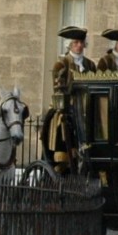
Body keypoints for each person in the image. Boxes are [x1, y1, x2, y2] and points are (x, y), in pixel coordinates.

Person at [50, 26, 98, 162]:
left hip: (87, 107)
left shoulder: (90, 65)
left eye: (81, 42)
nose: (79, 45)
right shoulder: (61, 64)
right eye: (76, 42)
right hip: (68, 107)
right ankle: (63, 157)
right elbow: (58, 89)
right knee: (63, 121)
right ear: (70, 45)